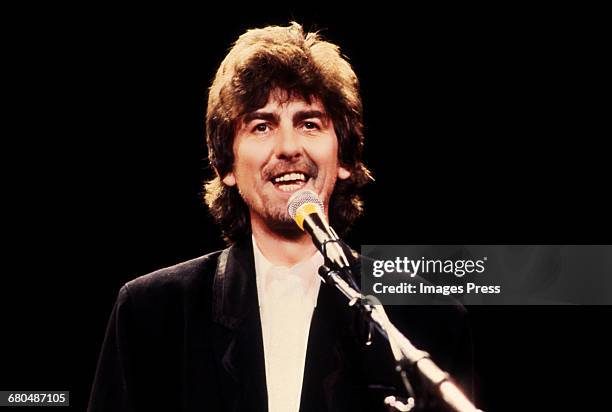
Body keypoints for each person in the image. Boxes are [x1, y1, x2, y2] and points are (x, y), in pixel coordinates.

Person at [88, 22, 473, 412]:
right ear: (227, 166)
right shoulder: (151, 312)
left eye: (309, 123)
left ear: (343, 157)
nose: (288, 147)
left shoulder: (425, 316)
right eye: (262, 125)